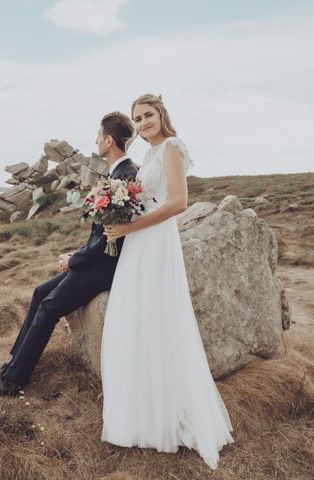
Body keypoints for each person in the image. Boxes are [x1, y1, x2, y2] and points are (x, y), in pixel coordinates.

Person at [101, 94, 234, 470]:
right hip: (139, 244)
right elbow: (146, 199)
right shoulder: (147, 155)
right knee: (135, 321)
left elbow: (178, 203)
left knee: (160, 320)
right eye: (137, 118)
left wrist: (129, 226)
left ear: (161, 115)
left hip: (157, 243)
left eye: (147, 115)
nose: (142, 122)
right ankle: (142, 412)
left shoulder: (173, 147)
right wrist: (117, 211)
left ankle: (170, 415)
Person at [0, 111, 139, 396]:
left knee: (50, 307)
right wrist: (78, 252)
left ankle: (13, 382)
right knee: (40, 292)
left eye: (99, 136)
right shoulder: (116, 174)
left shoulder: (125, 177)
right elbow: (100, 233)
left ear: (109, 140)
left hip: (105, 268)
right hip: (96, 259)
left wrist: (75, 260)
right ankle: (12, 365)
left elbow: (114, 237)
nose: (96, 140)